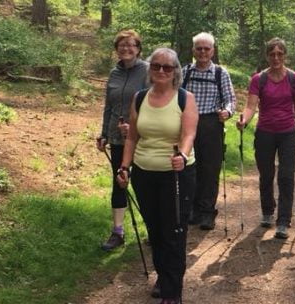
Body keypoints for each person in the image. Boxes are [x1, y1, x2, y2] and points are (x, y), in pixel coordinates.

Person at [117, 48, 197, 303]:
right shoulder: (139, 98)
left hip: (176, 175)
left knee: (173, 232)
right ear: (150, 69)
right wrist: (124, 167)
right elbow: (132, 136)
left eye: (167, 67)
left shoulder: (185, 98)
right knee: (155, 231)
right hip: (144, 174)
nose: (161, 71)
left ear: (175, 73)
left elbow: (188, 134)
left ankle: (173, 294)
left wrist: (182, 156)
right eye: (156, 66)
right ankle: (164, 277)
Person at [236, 38, 295, 239]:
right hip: (265, 132)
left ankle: (283, 221)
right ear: (267, 56)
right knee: (266, 175)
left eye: (280, 54)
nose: (276, 57)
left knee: (286, 176)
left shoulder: (294, 79)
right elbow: (251, 106)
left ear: (285, 55)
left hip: (288, 132)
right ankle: (268, 211)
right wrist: (244, 121)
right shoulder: (259, 79)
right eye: (272, 54)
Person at [96, 29, 149, 251]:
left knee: (145, 185)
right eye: (122, 45)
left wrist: (136, 126)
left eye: (131, 45)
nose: (126, 49)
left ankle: (154, 229)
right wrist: (104, 134)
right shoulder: (114, 74)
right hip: (118, 139)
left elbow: (154, 103)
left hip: (144, 139)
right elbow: (109, 106)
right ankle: (117, 232)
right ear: (116, 49)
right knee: (119, 182)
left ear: (138, 49)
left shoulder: (148, 71)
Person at [181, 32, 236, 230]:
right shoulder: (185, 71)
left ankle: (207, 212)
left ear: (212, 51)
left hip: (211, 124)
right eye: (199, 48)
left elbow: (230, 98)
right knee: (188, 169)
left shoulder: (221, 73)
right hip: (186, 124)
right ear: (193, 50)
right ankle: (191, 210)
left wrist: (227, 112)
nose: (203, 52)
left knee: (210, 169)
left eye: (206, 49)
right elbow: (175, 96)